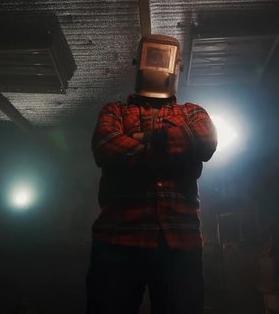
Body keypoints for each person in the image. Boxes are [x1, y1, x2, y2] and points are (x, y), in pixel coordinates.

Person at [86, 34, 218, 314]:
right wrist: (174, 152)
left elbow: (205, 142)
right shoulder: (115, 110)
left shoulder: (192, 112)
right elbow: (106, 146)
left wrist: (141, 139)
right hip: (118, 238)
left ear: (177, 65)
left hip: (178, 241)